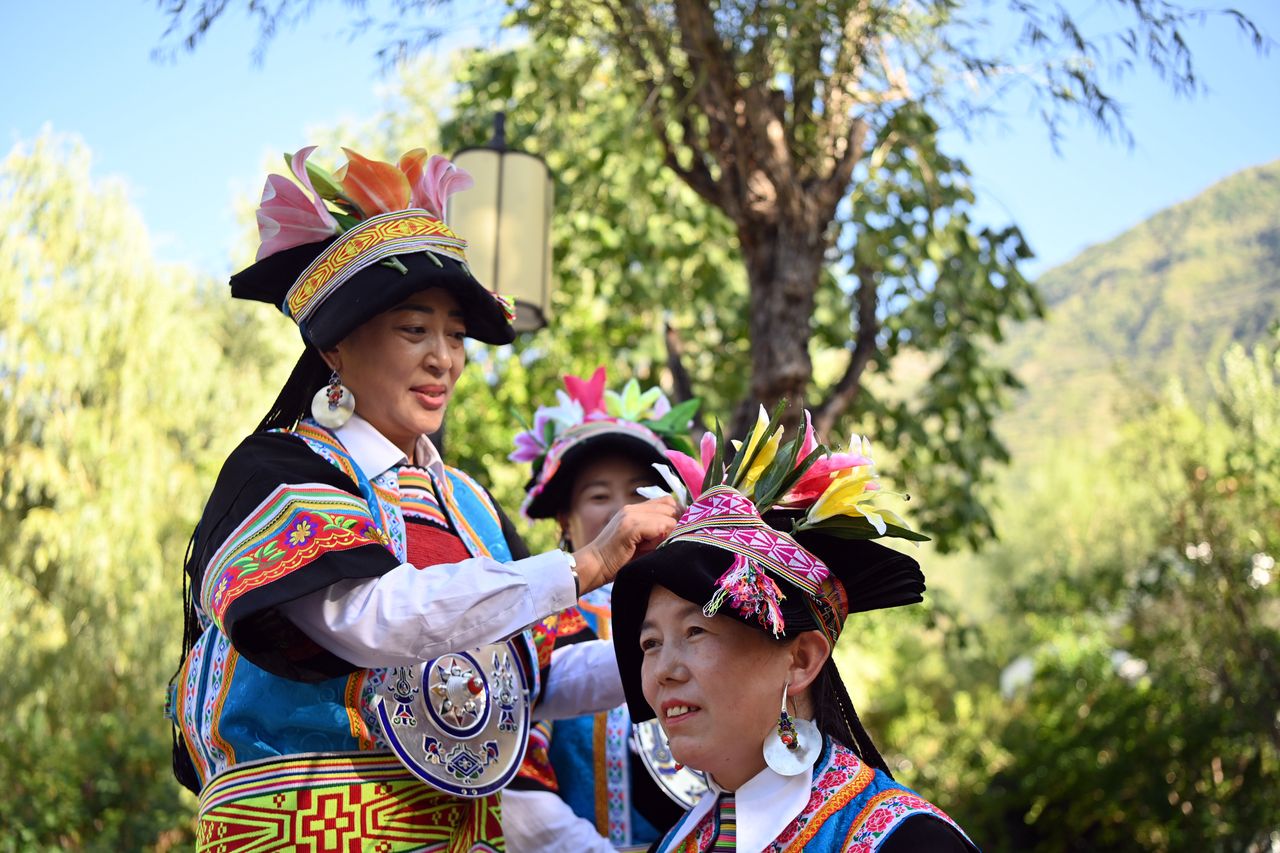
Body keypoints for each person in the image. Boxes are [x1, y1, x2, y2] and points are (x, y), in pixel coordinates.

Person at [165, 145, 677, 851]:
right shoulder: (280, 471)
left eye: (457, 334)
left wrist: (682, 640)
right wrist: (584, 566)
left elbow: (541, 673)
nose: (444, 357)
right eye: (415, 328)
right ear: (337, 346)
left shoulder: (468, 505)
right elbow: (371, 619)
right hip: (310, 833)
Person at [610, 409, 980, 852]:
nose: (663, 670)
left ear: (801, 659)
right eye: (650, 643)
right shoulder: (673, 844)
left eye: (695, 632)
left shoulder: (905, 843)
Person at [502, 368, 703, 852]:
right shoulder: (533, 623)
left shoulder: (711, 608)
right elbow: (514, 771)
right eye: (598, 495)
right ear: (564, 521)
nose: (623, 510)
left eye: (639, 491)